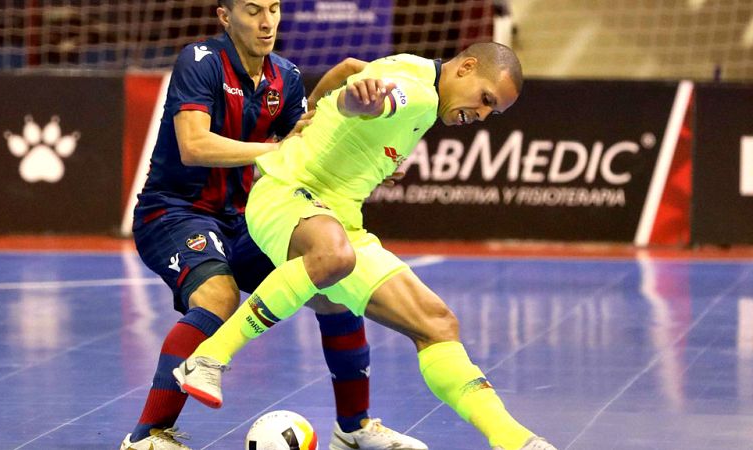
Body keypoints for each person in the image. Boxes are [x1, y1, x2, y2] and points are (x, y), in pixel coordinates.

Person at [174, 42, 559, 450]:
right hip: (287, 194)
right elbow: (377, 97)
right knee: (333, 255)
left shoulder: (419, 70)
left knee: (437, 323)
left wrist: (313, 111)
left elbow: (348, 68)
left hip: (339, 220)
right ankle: (208, 357)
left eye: (491, 112)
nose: (480, 115)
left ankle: (513, 439)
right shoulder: (417, 93)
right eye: (485, 99)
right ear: (466, 67)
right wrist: (358, 103)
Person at [120, 1, 427, 449]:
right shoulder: (200, 61)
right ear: (225, 16)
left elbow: (306, 147)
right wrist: (274, 150)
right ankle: (147, 437)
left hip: (245, 217)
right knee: (218, 296)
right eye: (252, 11)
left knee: (334, 289)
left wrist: (370, 160)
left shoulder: (286, 76)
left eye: (274, 9)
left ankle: (354, 429)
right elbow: (193, 145)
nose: (267, 23)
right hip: (174, 211)